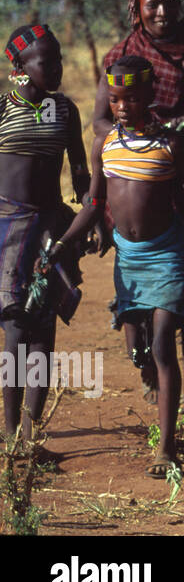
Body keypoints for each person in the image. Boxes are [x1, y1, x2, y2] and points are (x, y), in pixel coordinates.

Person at [51, 57, 184, 479]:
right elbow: (95, 203)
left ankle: (166, 449)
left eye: (132, 98)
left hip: (166, 253)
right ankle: (147, 368)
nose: (123, 107)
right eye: (115, 99)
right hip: (128, 258)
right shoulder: (104, 145)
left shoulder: (170, 145)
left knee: (164, 343)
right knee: (137, 352)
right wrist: (65, 241)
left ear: (150, 97)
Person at [95, 0, 184, 415]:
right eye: (155, 4)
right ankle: (151, 366)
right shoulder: (123, 56)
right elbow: (99, 120)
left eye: (172, 2)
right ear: (138, 7)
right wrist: (139, 134)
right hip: (140, 177)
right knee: (143, 284)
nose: (164, 11)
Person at [0, 25, 89, 454]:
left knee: (43, 329)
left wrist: (92, 219)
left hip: (51, 230)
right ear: (18, 66)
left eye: (57, 59)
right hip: (7, 232)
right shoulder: (2, 109)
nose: (54, 68)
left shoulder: (66, 111)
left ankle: (32, 435)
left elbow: (81, 176)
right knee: (16, 327)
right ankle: (10, 428)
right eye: (44, 61)